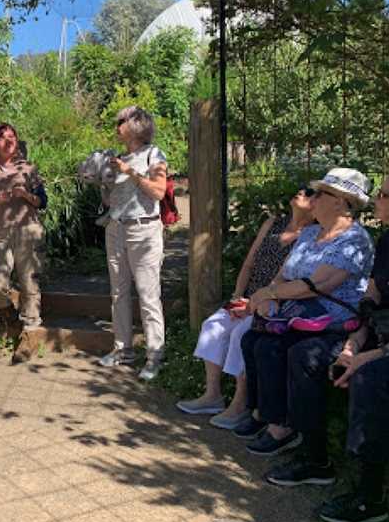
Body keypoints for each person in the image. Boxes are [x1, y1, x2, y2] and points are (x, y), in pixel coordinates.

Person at [263, 175, 389, 522]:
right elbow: (372, 304)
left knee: (359, 375)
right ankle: (311, 454)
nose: (378, 200)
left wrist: (364, 356)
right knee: (282, 348)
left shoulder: (358, 241)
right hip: (366, 334)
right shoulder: (387, 241)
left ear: (340, 202)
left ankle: (369, 496)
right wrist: (354, 344)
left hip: (365, 340)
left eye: (385, 194)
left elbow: (328, 288)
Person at [238, 168, 374, 457]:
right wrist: (269, 298)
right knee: (255, 341)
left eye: (319, 192)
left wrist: (270, 294)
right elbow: (284, 274)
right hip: (296, 314)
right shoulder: (311, 232)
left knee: (300, 354)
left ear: (341, 202)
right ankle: (270, 417)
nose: (312, 197)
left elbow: (320, 285)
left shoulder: (354, 240)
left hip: (333, 322)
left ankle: (297, 439)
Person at [176, 187, 315, 428]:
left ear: (317, 204)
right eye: (301, 189)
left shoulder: (312, 235)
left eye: (309, 192)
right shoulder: (273, 223)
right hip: (248, 298)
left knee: (243, 334)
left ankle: (240, 404)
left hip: (276, 303)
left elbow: (295, 282)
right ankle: (213, 395)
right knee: (213, 324)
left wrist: (253, 305)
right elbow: (249, 264)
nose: (300, 192)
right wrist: (238, 297)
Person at [96, 106, 168, 381]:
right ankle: (123, 350)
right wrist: (103, 182)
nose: (116, 126)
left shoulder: (154, 154)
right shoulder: (119, 158)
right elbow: (111, 201)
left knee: (149, 295)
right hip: (116, 228)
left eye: (120, 121)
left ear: (136, 124)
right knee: (119, 293)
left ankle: (154, 357)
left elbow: (158, 192)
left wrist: (131, 172)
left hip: (144, 230)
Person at [0, 123, 48, 362]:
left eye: (12, 137)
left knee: (29, 284)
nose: (8, 141)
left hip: (28, 229)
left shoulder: (28, 168)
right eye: (2, 137)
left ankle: (29, 335)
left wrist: (25, 195)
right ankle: (10, 317)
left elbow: (42, 202)